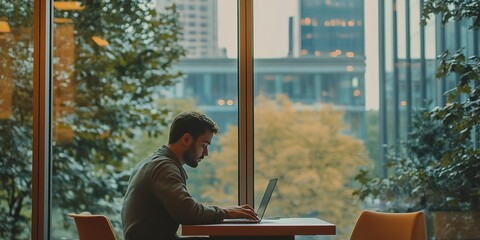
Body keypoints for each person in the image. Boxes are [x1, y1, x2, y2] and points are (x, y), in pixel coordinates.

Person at [121, 111, 258, 240]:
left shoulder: (154, 162)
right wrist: (226, 213)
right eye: (204, 145)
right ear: (186, 139)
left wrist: (224, 212)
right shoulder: (164, 168)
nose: (205, 153)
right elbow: (189, 213)